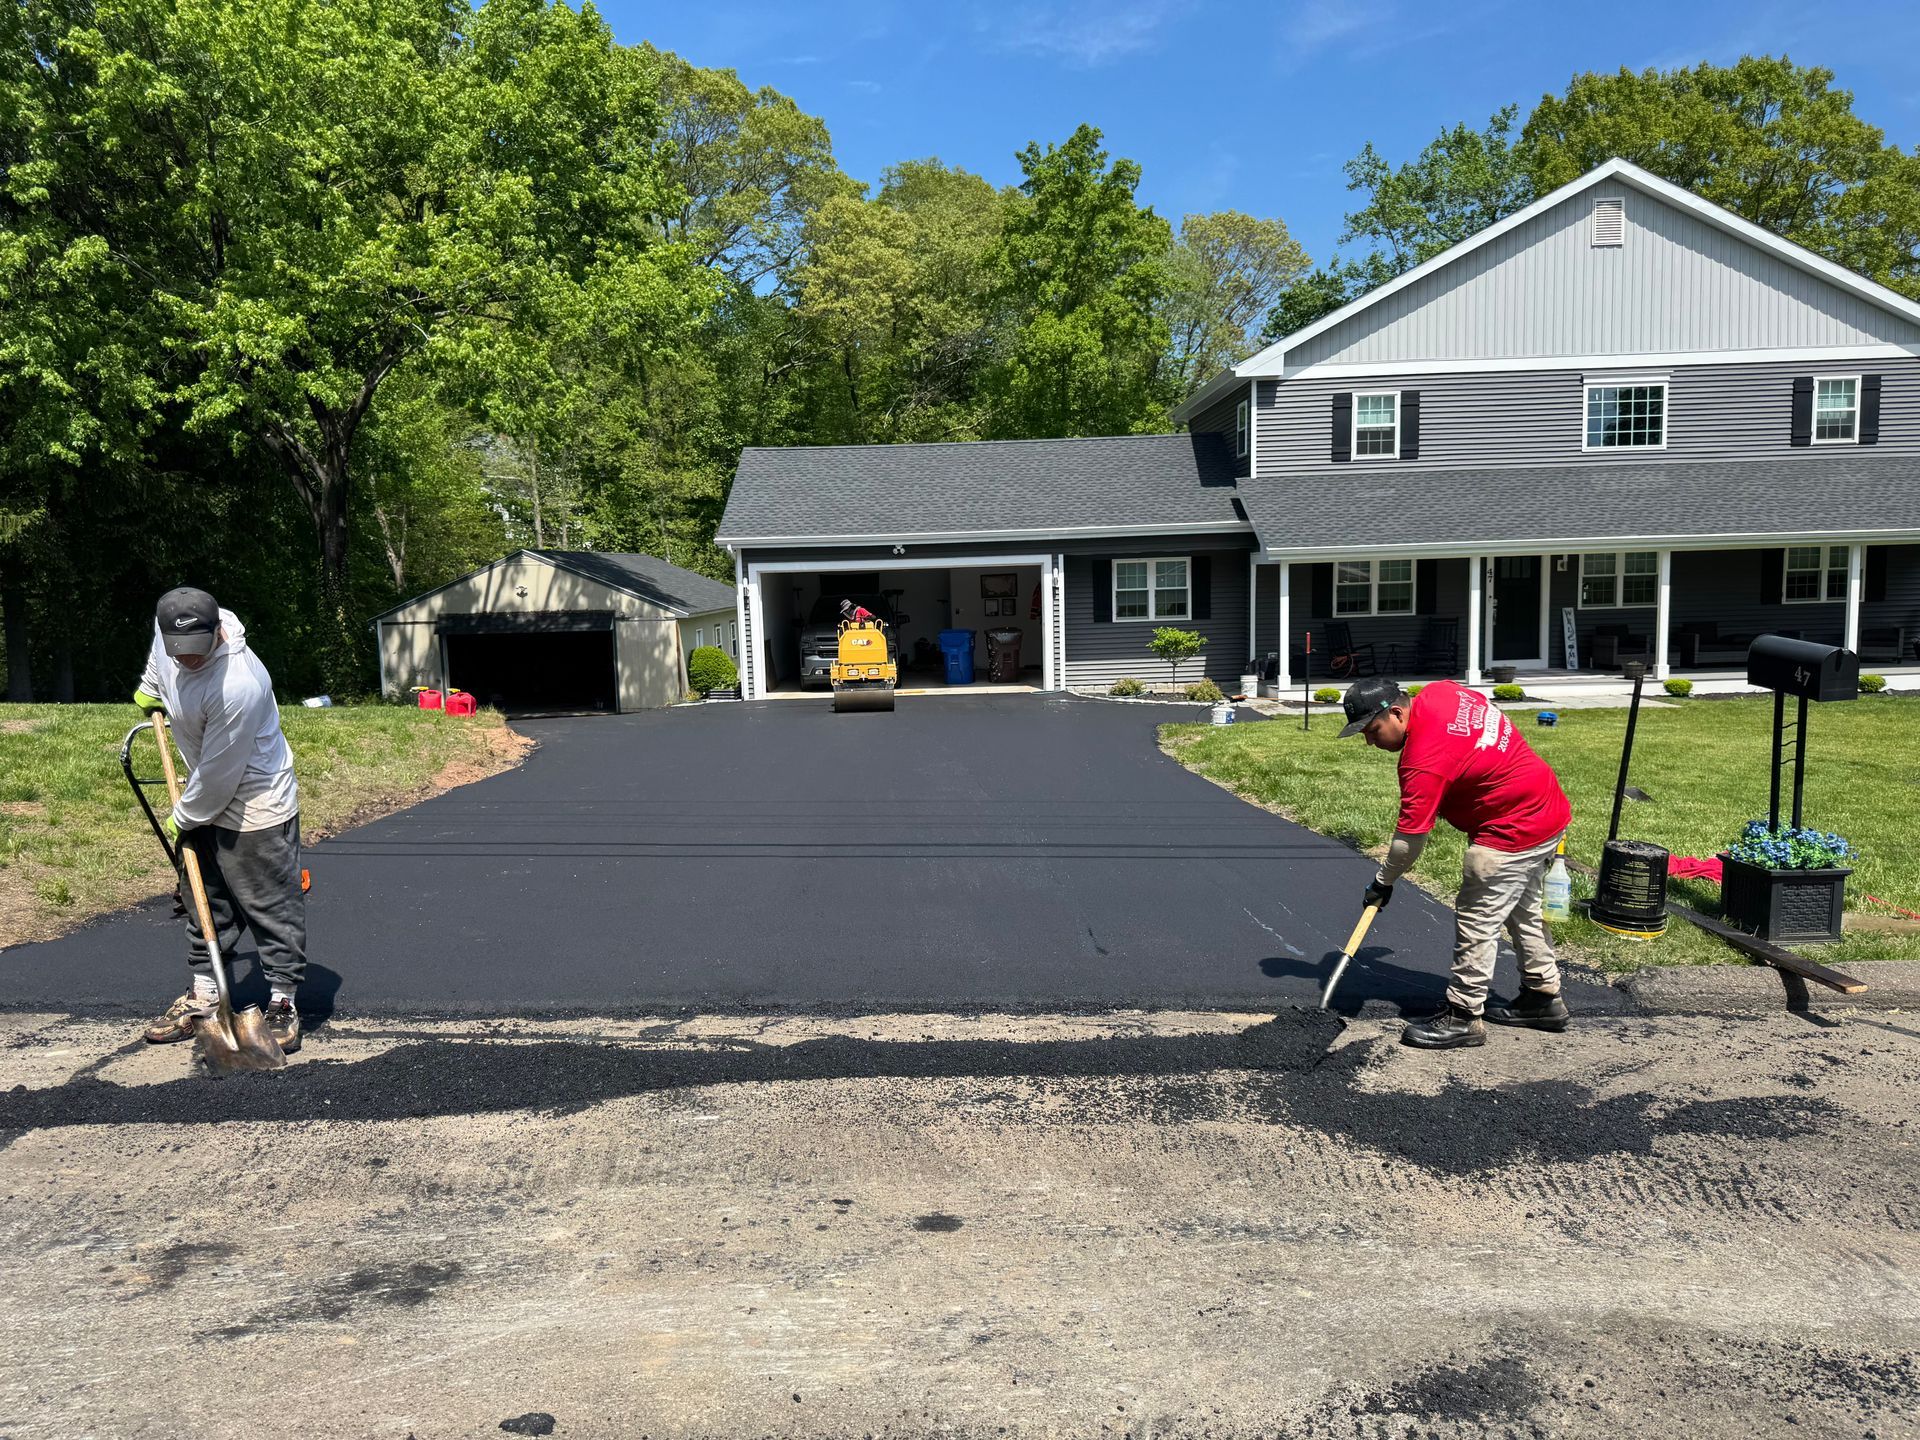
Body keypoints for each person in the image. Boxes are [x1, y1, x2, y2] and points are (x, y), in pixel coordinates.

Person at [1339, 675, 1573, 1050]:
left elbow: (1407, 844)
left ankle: (1464, 1015)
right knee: (1522, 911)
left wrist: (1383, 882)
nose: (1369, 741)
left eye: (1371, 730)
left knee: (1478, 916)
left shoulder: (1421, 762)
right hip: (1546, 806)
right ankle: (1542, 998)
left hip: (1511, 827)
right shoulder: (1441, 691)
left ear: (1396, 713)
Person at [134, 587, 305, 1053]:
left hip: (254, 799)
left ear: (218, 632)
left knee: (268, 903)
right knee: (201, 896)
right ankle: (206, 996)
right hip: (204, 788)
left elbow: (219, 773)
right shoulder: (168, 625)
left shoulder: (239, 684)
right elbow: (159, 658)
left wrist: (184, 816)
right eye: (177, 651)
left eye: (196, 651)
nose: (186, 660)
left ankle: (282, 1001)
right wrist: (150, 689)